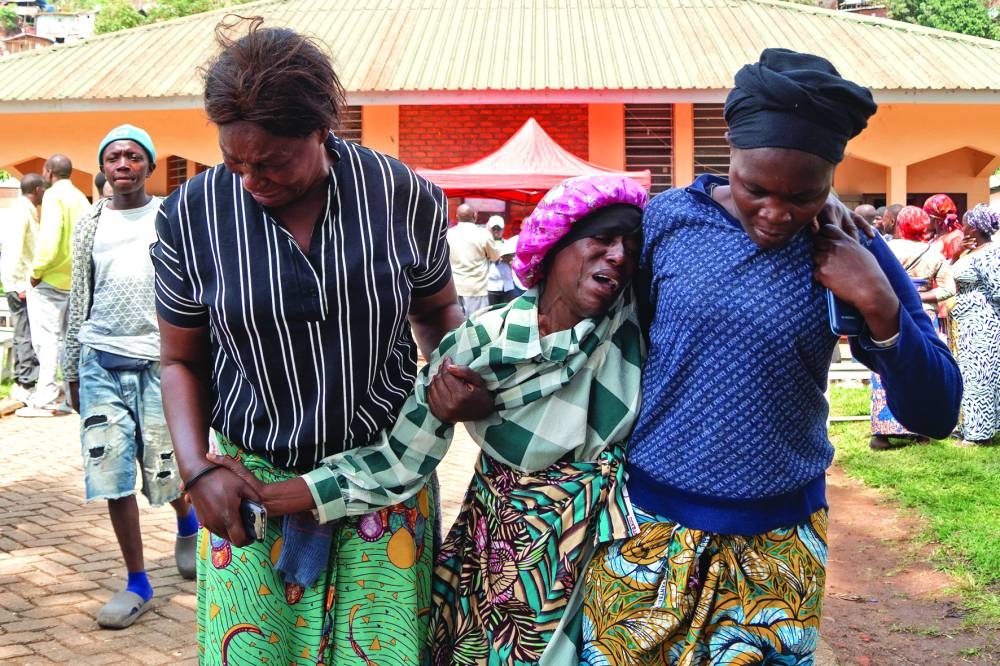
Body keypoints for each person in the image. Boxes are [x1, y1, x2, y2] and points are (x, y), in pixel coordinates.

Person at [576, 49, 961, 664]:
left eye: (804, 195)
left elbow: (936, 412)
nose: (777, 213)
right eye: (756, 188)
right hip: (648, 529)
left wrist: (880, 305)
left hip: (779, 548)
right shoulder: (668, 222)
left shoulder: (853, 249)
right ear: (729, 149)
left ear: (832, 178)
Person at [150, 20, 464, 665]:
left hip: (379, 481)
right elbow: (181, 359)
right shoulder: (193, 215)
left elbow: (438, 313)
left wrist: (455, 371)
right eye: (234, 162)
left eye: (271, 162)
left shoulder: (401, 197)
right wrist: (197, 471)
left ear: (322, 128)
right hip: (249, 489)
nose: (250, 180)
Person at [62, 125, 198, 629]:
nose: (123, 164)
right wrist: (72, 368)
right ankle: (137, 581)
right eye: (114, 157)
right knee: (111, 472)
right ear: (102, 167)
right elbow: (79, 296)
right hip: (100, 359)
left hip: (161, 362)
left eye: (134, 156)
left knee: (167, 468)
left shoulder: (169, 216)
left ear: (150, 166)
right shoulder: (89, 224)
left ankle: (187, 519)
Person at [869, 205, 956, 450]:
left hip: (889, 315)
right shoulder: (933, 253)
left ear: (899, 224)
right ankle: (921, 431)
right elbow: (948, 289)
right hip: (923, 317)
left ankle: (881, 433)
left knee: (884, 368)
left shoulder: (886, 249)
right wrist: (919, 297)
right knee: (923, 369)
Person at [16, 154, 89, 417]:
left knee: (46, 341)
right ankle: (71, 397)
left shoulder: (53, 197)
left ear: (48, 172)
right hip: (74, 281)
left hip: (50, 281)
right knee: (71, 341)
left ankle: (45, 398)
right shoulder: (80, 198)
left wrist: (36, 272)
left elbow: (50, 239)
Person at [949, 204, 1000, 446]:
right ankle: (967, 425)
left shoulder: (991, 253)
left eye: (965, 223)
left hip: (983, 322)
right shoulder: (970, 251)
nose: (961, 226)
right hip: (965, 324)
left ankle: (980, 434)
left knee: (980, 377)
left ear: (975, 227)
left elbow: (998, 290)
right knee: (966, 375)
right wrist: (956, 253)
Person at [0, 173, 43, 403]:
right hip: (20, 284)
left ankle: (25, 381)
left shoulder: (25, 210)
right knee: (25, 333)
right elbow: (14, 250)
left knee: (26, 332)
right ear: (37, 190)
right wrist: (18, 284)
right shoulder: (21, 212)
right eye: (43, 190)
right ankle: (25, 383)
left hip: (23, 282)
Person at [448, 202, 500, 315]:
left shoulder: (448, 234)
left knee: (456, 324)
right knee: (476, 323)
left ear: (457, 216)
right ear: (475, 216)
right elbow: (495, 257)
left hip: (454, 288)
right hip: (476, 289)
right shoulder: (483, 234)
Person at [486, 215, 520, 305]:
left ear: (503, 229)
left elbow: (516, 263)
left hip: (508, 285)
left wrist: (509, 260)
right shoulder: (484, 244)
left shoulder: (509, 244)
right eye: (494, 228)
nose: (496, 231)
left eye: (499, 228)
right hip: (491, 285)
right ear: (489, 229)